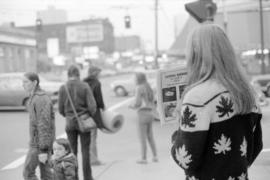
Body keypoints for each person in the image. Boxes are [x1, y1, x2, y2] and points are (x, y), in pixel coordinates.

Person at [171, 24, 263, 180]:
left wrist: (177, 132)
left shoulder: (197, 97)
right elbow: (256, 147)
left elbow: (186, 159)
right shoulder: (248, 92)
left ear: (195, 54)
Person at [58, 65, 97, 180]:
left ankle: (73, 177)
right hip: (84, 122)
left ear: (68, 74)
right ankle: (87, 177)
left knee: (71, 152)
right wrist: (87, 115)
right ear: (78, 74)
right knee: (85, 151)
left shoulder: (63, 87)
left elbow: (60, 108)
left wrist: (68, 116)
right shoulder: (85, 86)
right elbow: (92, 106)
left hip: (70, 123)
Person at [22, 72, 55, 180]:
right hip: (40, 142)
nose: (23, 84)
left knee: (28, 173)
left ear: (35, 82)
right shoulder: (34, 97)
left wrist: (43, 150)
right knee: (47, 175)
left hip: (38, 144)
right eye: (22, 82)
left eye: (25, 82)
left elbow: (44, 125)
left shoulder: (40, 99)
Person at [129, 72, 158, 164]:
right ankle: (155, 156)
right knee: (150, 137)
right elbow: (153, 101)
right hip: (150, 113)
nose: (134, 80)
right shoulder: (148, 87)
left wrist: (131, 106)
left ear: (138, 79)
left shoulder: (139, 87)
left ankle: (144, 158)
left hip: (142, 114)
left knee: (142, 137)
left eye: (135, 78)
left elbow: (137, 103)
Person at [83, 66, 105, 166]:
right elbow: (99, 100)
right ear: (95, 73)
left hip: (83, 113)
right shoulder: (96, 83)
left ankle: (87, 159)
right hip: (93, 113)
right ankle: (94, 160)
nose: (100, 75)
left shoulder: (83, 82)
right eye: (99, 73)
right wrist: (103, 107)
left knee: (85, 138)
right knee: (92, 137)